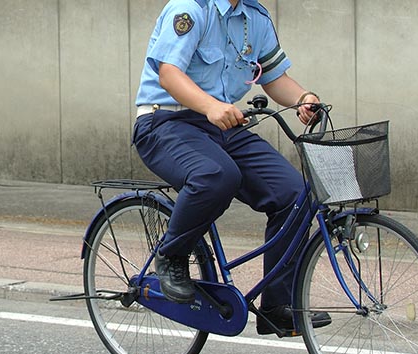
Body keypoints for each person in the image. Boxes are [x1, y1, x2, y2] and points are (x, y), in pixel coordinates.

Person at [133, 0, 330, 335]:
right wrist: (210, 106)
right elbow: (168, 73)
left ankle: (278, 307)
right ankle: (171, 255)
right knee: (216, 175)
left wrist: (303, 98)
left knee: (295, 194)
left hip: (222, 126)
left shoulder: (255, 17)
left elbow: (274, 76)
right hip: (164, 122)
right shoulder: (191, 9)